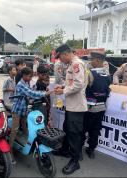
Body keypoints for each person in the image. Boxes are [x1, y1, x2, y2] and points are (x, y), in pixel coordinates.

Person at [53, 44, 88, 175]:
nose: (60, 60)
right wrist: (61, 86)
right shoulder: (71, 64)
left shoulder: (76, 64)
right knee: (67, 128)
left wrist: (63, 90)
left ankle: (75, 160)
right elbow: (70, 82)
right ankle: (65, 150)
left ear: (65, 54)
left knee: (74, 133)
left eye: (60, 57)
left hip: (77, 106)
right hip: (71, 105)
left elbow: (78, 85)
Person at [10, 67, 51, 164]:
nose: (30, 78)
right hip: (17, 110)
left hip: (24, 109)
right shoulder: (20, 84)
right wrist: (45, 93)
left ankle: (26, 141)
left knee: (25, 125)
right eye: (29, 76)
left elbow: (30, 92)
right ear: (24, 75)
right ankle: (9, 150)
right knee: (14, 130)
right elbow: (31, 93)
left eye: (31, 76)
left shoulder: (26, 83)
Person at [81, 52, 112, 159]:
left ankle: (79, 150)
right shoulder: (108, 74)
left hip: (89, 108)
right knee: (95, 129)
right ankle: (91, 149)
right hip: (102, 107)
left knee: (83, 129)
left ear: (98, 60)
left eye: (92, 59)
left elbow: (82, 88)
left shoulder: (89, 73)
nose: (90, 61)